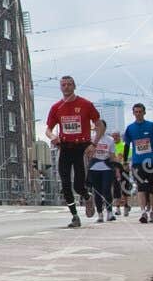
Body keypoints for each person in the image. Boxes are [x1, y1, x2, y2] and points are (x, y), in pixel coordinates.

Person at [45, 75, 104, 228]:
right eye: (63, 85)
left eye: (69, 84)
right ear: (60, 87)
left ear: (74, 86)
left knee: (78, 184)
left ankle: (86, 195)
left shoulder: (86, 104)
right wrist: (53, 137)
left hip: (81, 147)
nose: (66, 87)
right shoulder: (56, 107)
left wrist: (94, 143)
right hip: (64, 147)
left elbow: (99, 125)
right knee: (65, 183)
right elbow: (48, 129)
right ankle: (74, 215)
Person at [122, 104, 153, 224]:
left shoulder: (151, 126)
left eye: (140, 111)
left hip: (152, 161)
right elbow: (127, 145)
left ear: (144, 112)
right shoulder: (130, 128)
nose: (138, 114)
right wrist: (125, 161)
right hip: (137, 162)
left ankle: (152, 211)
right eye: (136, 112)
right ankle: (143, 212)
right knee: (141, 187)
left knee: (152, 188)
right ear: (133, 113)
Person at [86, 129, 116, 223]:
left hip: (107, 168)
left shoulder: (110, 139)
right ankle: (100, 213)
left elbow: (112, 155)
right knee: (97, 192)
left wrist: (116, 168)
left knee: (107, 189)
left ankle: (109, 212)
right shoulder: (91, 138)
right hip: (94, 168)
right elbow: (87, 152)